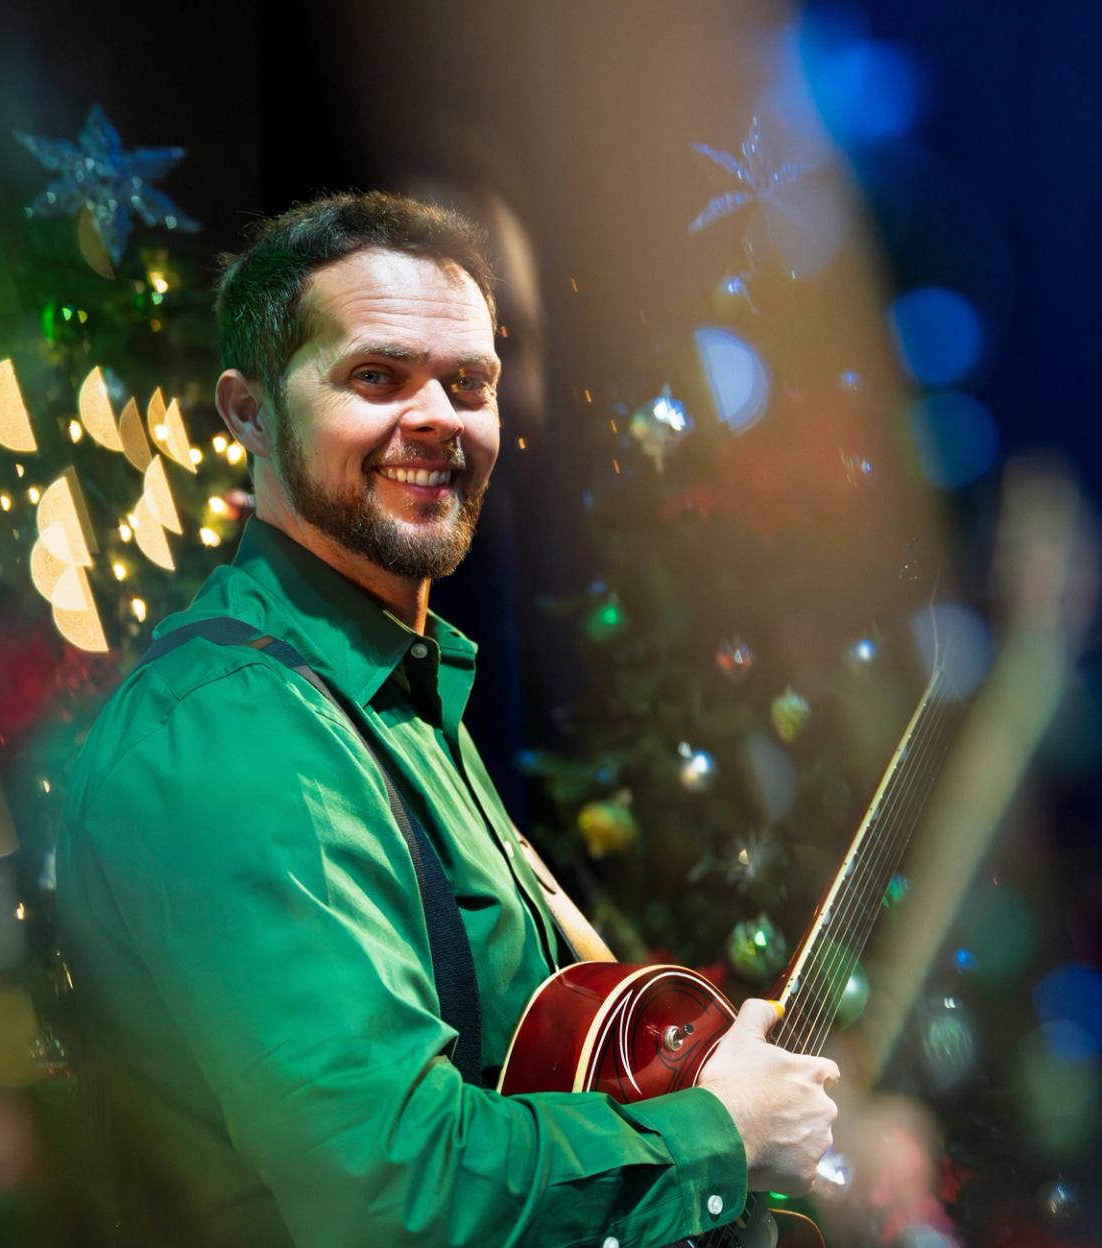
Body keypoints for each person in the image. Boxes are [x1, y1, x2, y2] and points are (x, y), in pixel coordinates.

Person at [55, 191, 838, 1247]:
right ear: (249, 411)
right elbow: (392, 1192)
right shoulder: (238, 734)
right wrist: (720, 1135)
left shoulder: (393, 685)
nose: (437, 417)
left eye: (468, 383)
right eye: (377, 376)